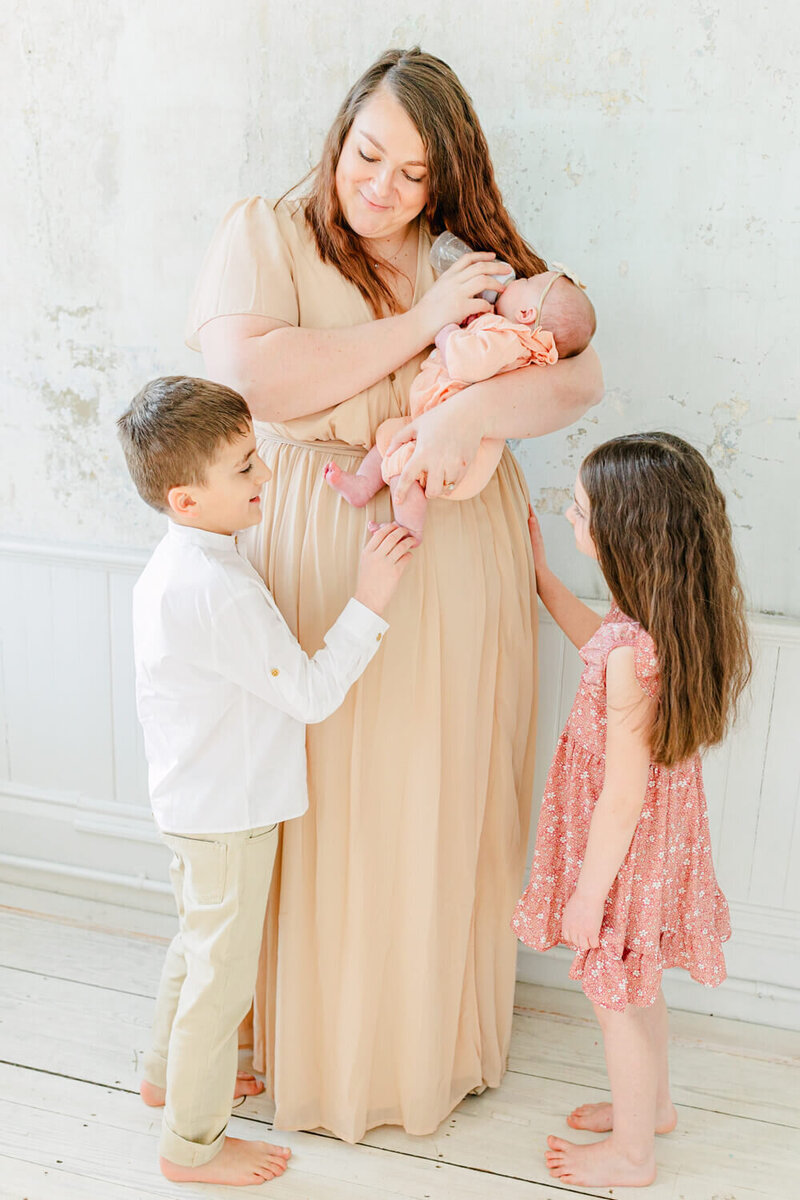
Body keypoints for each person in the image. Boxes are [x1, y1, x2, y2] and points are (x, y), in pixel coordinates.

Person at [187, 47, 603, 1142]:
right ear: (337, 137)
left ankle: (426, 1046)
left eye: (414, 174)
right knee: (319, 798)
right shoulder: (263, 232)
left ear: (443, 182)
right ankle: (308, 1047)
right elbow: (254, 379)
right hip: (323, 541)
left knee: (434, 789)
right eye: (368, 155)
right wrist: (423, 330)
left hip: (459, 549)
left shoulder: (468, 258)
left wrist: (466, 419)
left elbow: (577, 373)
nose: (383, 188)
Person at [117, 376, 416, 1186]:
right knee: (222, 978)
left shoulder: (183, 561)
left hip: (195, 801)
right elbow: (312, 695)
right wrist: (371, 600)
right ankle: (194, 1145)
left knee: (197, 944)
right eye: (246, 468)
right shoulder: (217, 588)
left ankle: (163, 1076)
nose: (267, 478)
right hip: (228, 812)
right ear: (186, 498)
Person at [512, 433, 751, 1188]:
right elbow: (599, 645)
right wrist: (545, 576)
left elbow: (622, 795)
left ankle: (633, 1155)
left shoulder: (629, 654)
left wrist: (586, 895)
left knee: (613, 994)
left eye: (579, 510)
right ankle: (655, 1109)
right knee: (637, 982)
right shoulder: (660, 624)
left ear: (622, 533)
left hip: (621, 850)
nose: (569, 513)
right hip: (658, 844)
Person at [325, 266, 596, 535]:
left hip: (458, 449)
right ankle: (363, 485)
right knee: (391, 436)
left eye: (525, 280)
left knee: (405, 463)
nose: (516, 278)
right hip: (434, 423)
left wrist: (446, 333)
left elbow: (467, 362)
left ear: (526, 314)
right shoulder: (504, 334)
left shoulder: (509, 337)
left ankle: (408, 529)